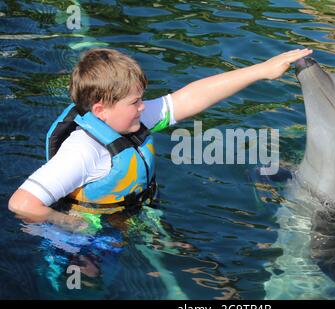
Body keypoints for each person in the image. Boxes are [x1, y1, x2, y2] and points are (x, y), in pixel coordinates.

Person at [8, 47, 313, 233]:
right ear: (100, 110)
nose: (143, 107)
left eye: (142, 100)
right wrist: (69, 225)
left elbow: (189, 97)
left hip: (130, 213)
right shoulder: (82, 151)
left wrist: (261, 71)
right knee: (90, 282)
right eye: (135, 102)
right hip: (86, 236)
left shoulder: (129, 119)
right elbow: (22, 203)